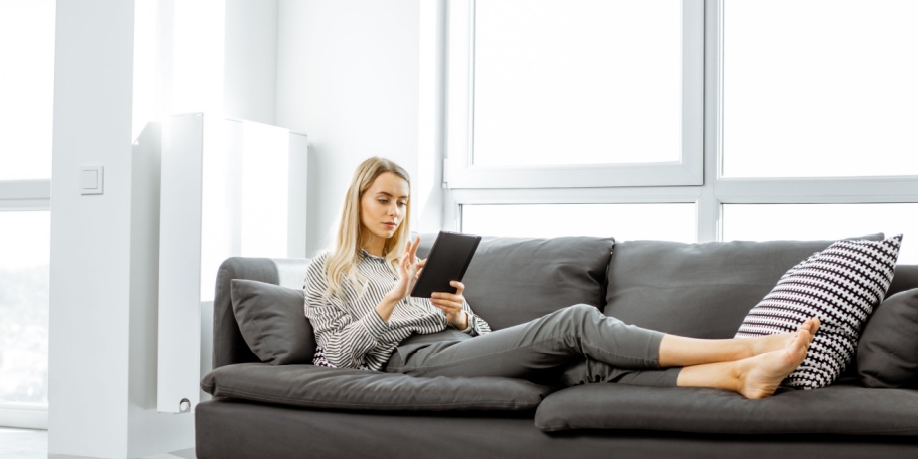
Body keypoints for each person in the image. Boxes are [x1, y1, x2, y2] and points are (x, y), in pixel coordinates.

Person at [302, 157, 817, 399]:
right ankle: (741, 350)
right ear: (358, 201)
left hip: (455, 344)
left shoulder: (407, 259)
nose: (395, 211)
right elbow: (332, 358)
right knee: (574, 322)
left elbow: (474, 333)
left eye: (403, 202)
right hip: (413, 362)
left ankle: (738, 377)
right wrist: (390, 302)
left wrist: (461, 314)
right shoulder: (328, 269)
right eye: (384, 199)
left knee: (587, 364)